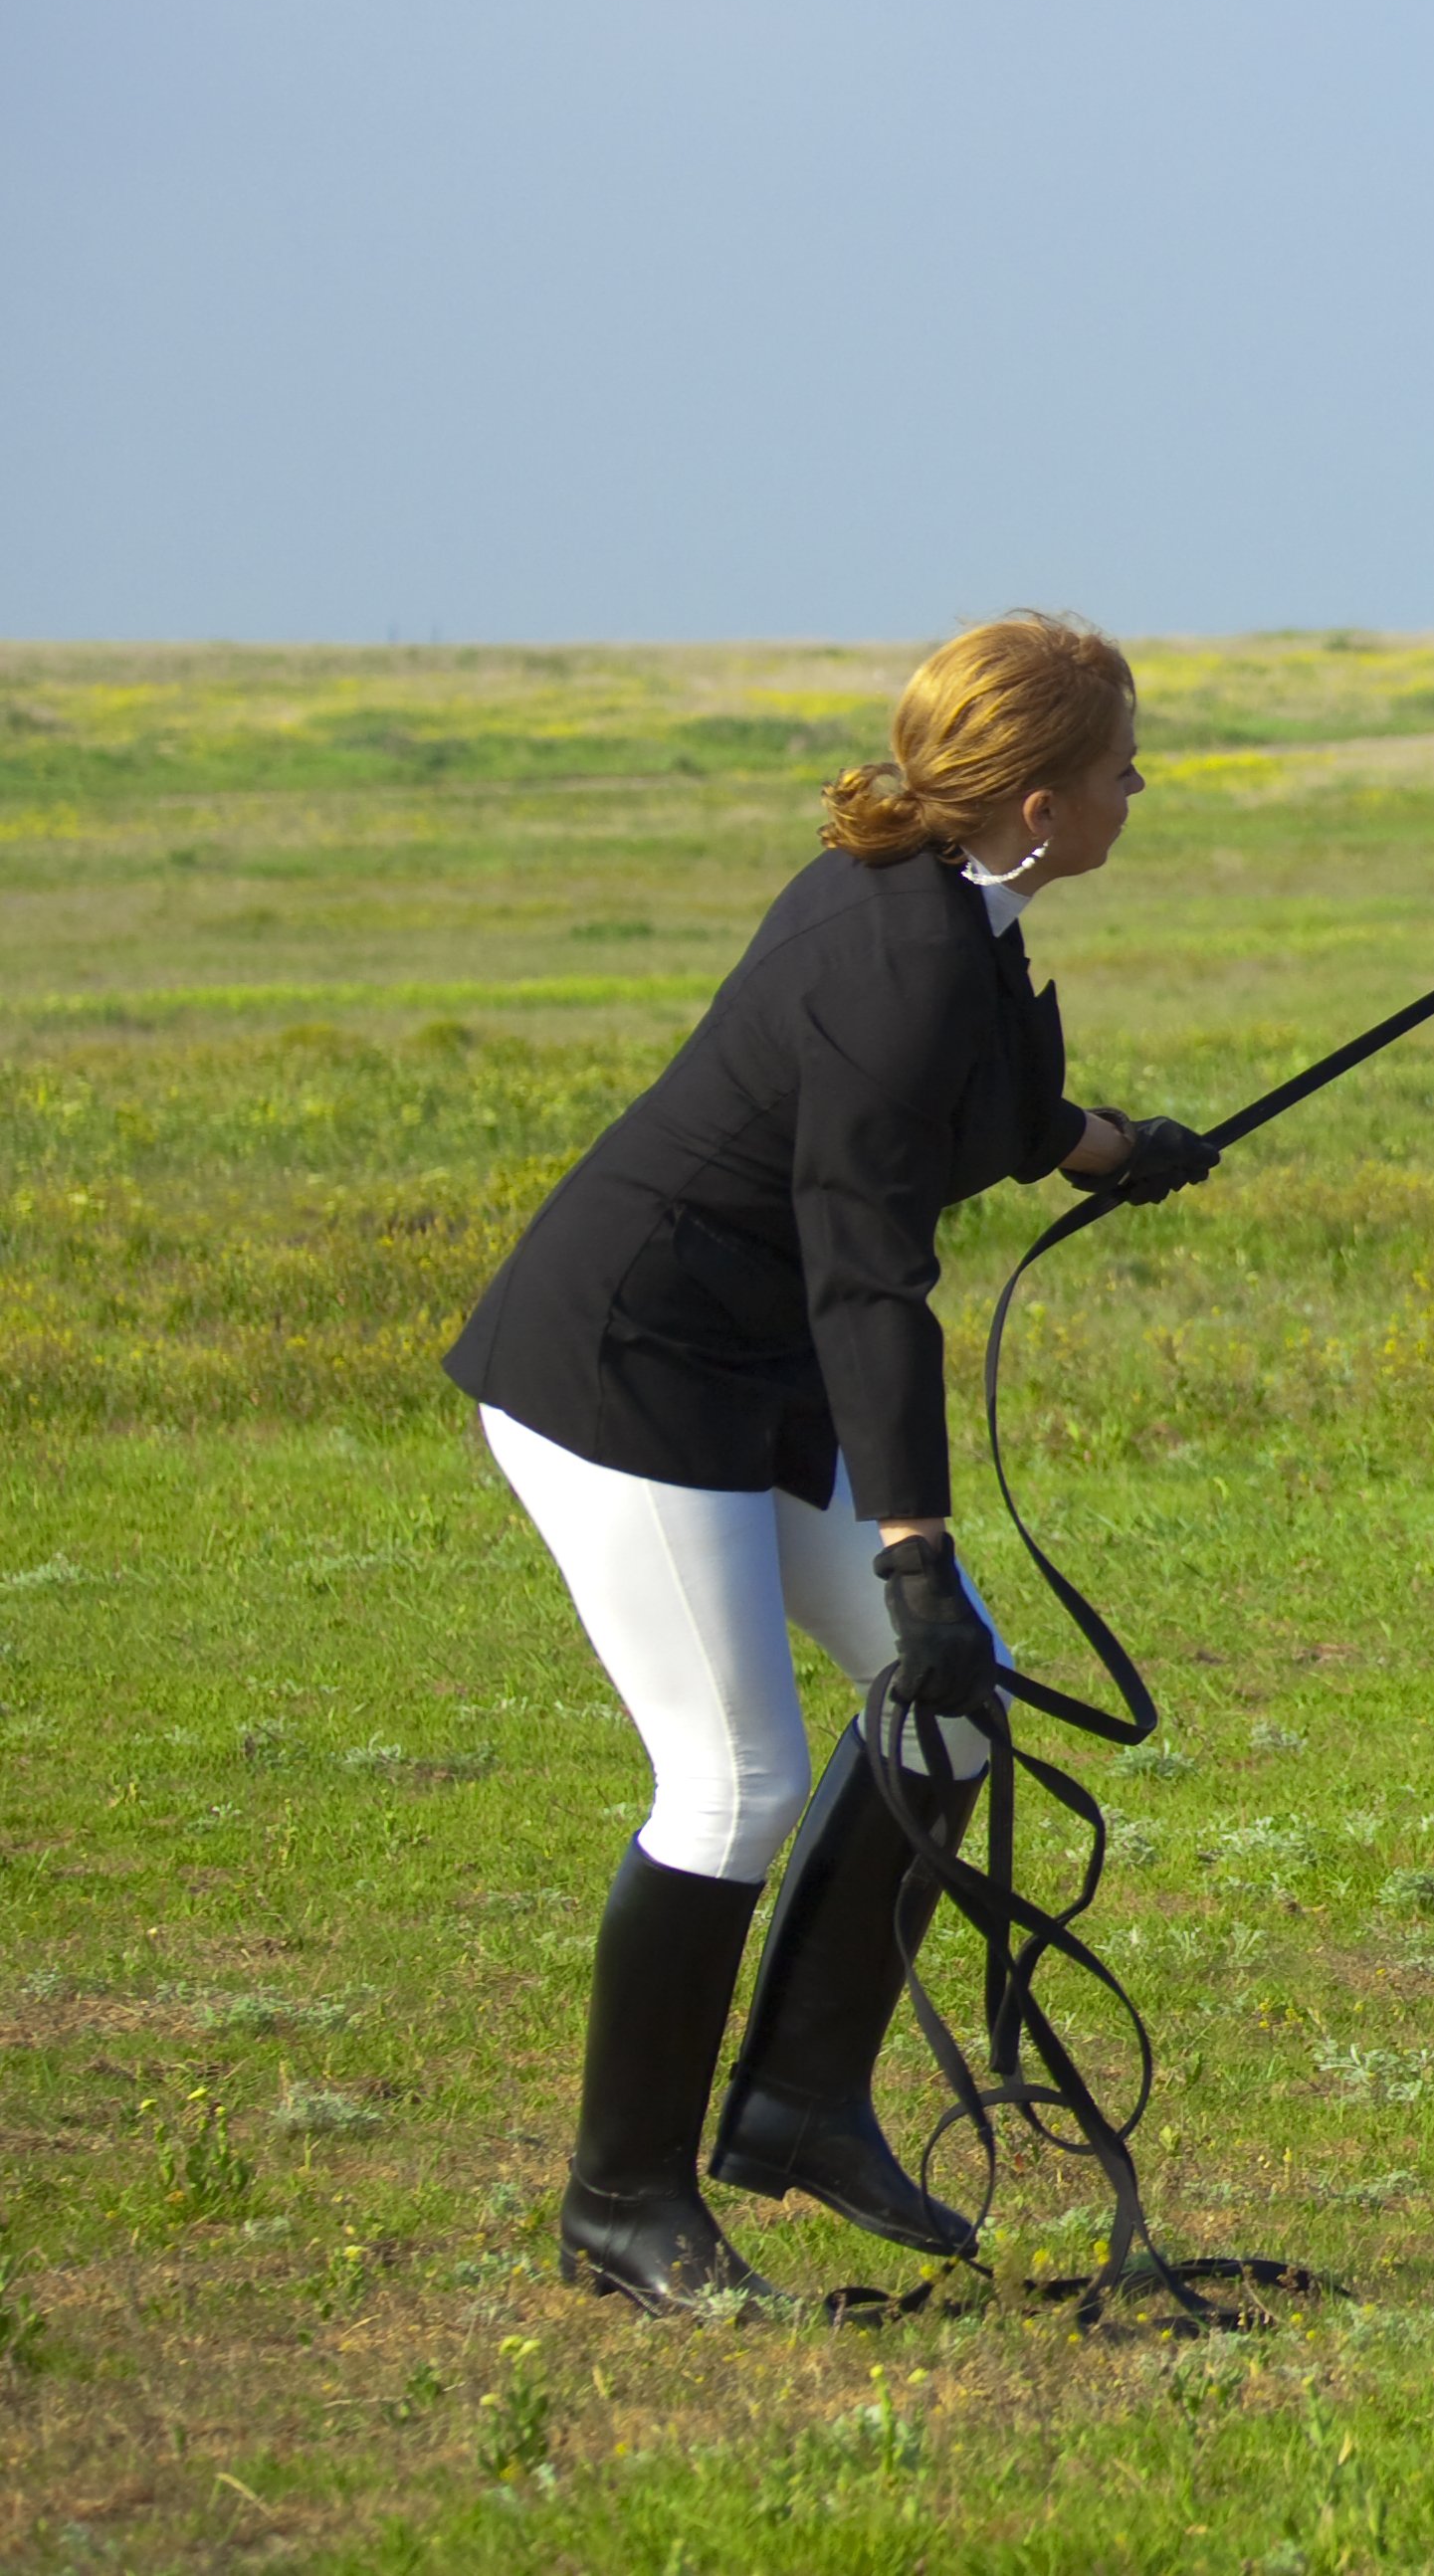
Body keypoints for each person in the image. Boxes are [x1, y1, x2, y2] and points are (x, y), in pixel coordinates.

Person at [445, 611, 1221, 2312]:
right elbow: (867, 1269)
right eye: (1116, 767)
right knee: (737, 1786)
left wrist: (1117, 1149)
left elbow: (984, 1115)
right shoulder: (899, 958)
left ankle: (798, 2103)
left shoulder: (953, 906)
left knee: (949, 1709)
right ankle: (621, 2201)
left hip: (746, 1376)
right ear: (1031, 798)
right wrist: (913, 1554)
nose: (1137, 785)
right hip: (623, 1373)